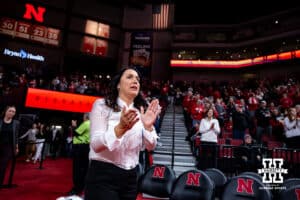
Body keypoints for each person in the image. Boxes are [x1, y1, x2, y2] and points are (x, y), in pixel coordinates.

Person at [84, 67, 160, 200]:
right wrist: (120, 129)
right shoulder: (102, 105)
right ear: (118, 84)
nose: (135, 81)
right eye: (129, 77)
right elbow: (95, 145)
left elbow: (151, 146)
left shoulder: (140, 112)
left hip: (131, 177)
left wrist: (148, 127)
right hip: (103, 175)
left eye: (137, 79)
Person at [67, 113, 90, 196]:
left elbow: (76, 133)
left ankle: (77, 188)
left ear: (86, 117)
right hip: (86, 148)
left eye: (83, 116)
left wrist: (74, 125)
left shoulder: (86, 123)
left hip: (80, 148)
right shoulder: (92, 124)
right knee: (84, 168)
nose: (83, 118)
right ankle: (81, 187)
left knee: (77, 169)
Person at [0, 105, 20, 187]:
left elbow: (16, 136)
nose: (12, 113)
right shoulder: (0, 121)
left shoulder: (16, 123)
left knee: (2, 166)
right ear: (5, 111)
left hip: (8, 147)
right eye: (10, 111)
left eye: (13, 112)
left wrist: (16, 147)